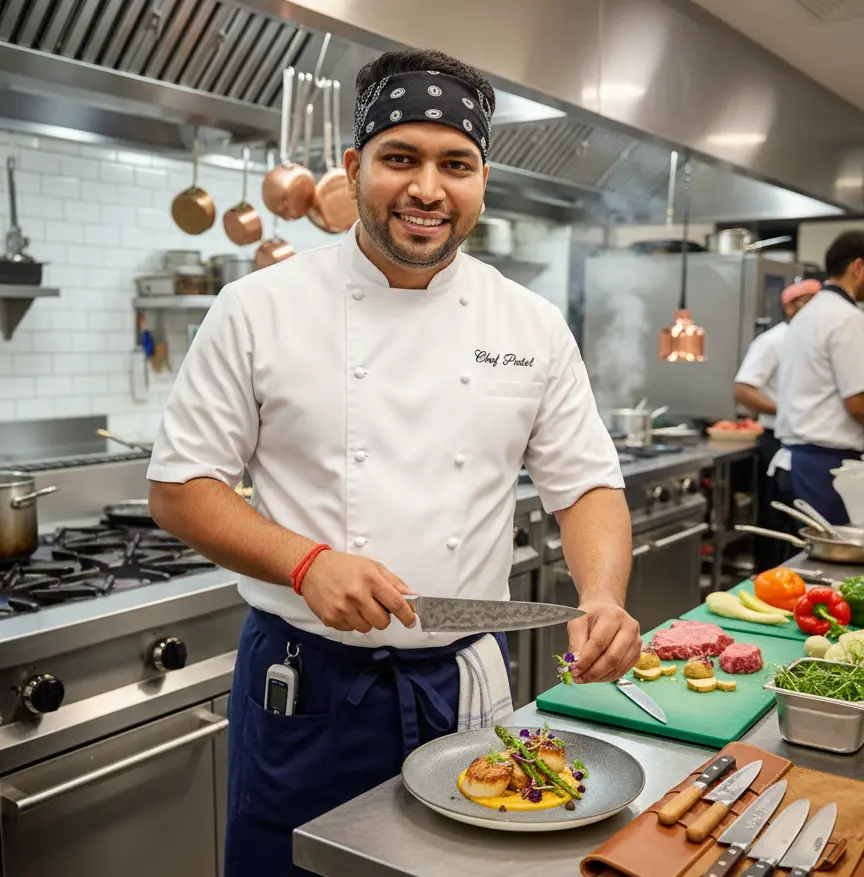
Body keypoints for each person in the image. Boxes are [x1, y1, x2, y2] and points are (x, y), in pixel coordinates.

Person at [146, 48, 642, 876]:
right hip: (306, 689)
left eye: (456, 164)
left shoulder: (529, 323)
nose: (427, 189)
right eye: (400, 158)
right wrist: (304, 562)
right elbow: (179, 488)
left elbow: (586, 482)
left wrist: (602, 596)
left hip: (466, 685)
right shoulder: (259, 309)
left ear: (483, 179)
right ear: (354, 166)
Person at [775, 231, 864, 525]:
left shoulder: (809, 314)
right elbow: (857, 401)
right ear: (858, 267)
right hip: (828, 467)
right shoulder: (848, 319)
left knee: (804, 561)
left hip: (799, 461)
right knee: (828, 565)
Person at [734, 279, 819, 569]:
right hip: (776, 439)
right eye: (804, 301)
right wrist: (786, 410)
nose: (812, 308)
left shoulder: (815, 338)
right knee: (777, 524)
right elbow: (743, 389)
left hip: (806, 441)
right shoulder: (773, 340)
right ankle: (769, 580)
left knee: (800, 526)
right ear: (788, 306)